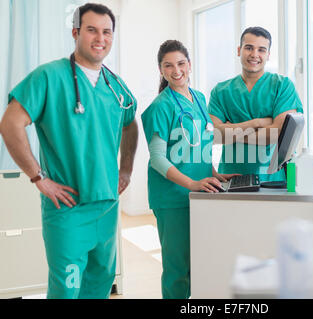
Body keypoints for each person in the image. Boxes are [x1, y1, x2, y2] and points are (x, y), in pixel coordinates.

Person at [0, 3, 138, 299]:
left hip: (107, 207)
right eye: (91, 30)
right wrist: (38, 177)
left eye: (107, 32)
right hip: (68, 209)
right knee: (66, 290)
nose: (100, 38)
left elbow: (130, 124)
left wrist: (125, 169)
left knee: (99, 285)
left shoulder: (116, 86)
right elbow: (11, 123)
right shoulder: (48, 77)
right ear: (76, 32)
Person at [141, 40, 238, 299]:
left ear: (190, 65)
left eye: (181, 63)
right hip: (173, 198)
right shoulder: (160, 107)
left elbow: (199, 143)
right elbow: (158, 159)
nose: (176, 70)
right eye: (168, 65)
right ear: (161, 70)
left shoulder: (198, 98)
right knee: (177, 269)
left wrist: (214, 172)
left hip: (202, 192)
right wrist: (192, 183)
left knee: (199, 264)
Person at [208, 26, 303, 182]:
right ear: (239, 50)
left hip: (272, 177)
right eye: (249, 48)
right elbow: (215, 135)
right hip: (231, 177)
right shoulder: (221, 91)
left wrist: (232, 133)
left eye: (261, 50)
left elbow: (279, 133)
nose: (254, 55)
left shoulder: (282, 86)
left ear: (268, 55)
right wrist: (257, 123)